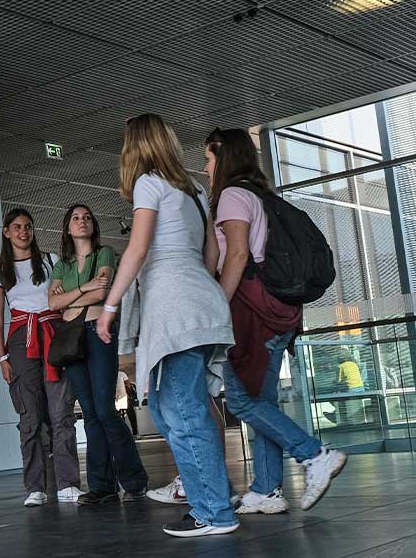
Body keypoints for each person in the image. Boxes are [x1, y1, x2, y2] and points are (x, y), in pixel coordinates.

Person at [96, 114, 238, 538]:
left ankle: (213, 511)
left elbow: (137, 250)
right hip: (200, 300)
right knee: (166, 406)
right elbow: (211, 251)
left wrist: (109, 306)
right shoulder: (194, 188)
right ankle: (213, 498)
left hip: (175, 305)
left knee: (183, 410)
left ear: (135, 147)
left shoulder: (149, 183)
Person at [204, 128, 346, 513]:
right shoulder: (261, 196)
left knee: (243, 400)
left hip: (254, 316)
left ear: (226, 158)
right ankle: (267, 489)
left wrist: (217, 307)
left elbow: (235, 257)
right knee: (260, 400)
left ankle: (315, 455)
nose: (205, 168)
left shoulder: (233, 195)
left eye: (209, 159)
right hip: (281, 313)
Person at [48, 204, 148, 505]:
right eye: (76, 218)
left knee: (104, 409)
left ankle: (134, 481)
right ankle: (102, 486)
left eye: (88, 217)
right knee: (89, 413)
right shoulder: (61, 264)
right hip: (71, 341)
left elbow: (102, 293)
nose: (82, 222)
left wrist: (72, 296)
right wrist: (84, 287)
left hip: (97, 332)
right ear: (67, 227)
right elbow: (52, 304)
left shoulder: (103, 254)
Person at [0, 208, 83, 507]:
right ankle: (36, 487)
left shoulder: (50, 261)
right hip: (19, 339)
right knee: (29, 417)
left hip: (53, 333)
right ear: (6, 232)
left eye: (28, 226)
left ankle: (68, 484)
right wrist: (2, 357)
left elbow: (66, 298)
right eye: (16, 227)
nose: (23, 231)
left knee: (61, 411)